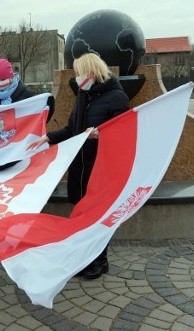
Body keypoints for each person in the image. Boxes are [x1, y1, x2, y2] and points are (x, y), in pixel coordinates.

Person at [28, 53, 130, 280]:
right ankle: (87, 258)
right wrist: (49, 138)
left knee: (97, 217)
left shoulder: (117, 98)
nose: (77, 78)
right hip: (80, 168)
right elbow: (72, 130)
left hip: (100, 170)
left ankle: (100, 261)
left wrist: (100, 134)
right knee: (83, 215)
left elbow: (125, 134)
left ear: (91, 73)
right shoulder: (83, 96)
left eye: (79, 73)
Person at [0, 58, 55, 171]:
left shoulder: (26, 94)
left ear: (11, 77)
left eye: (2, 79)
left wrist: (49, 104)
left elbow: (40, 118)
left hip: (18, 155)